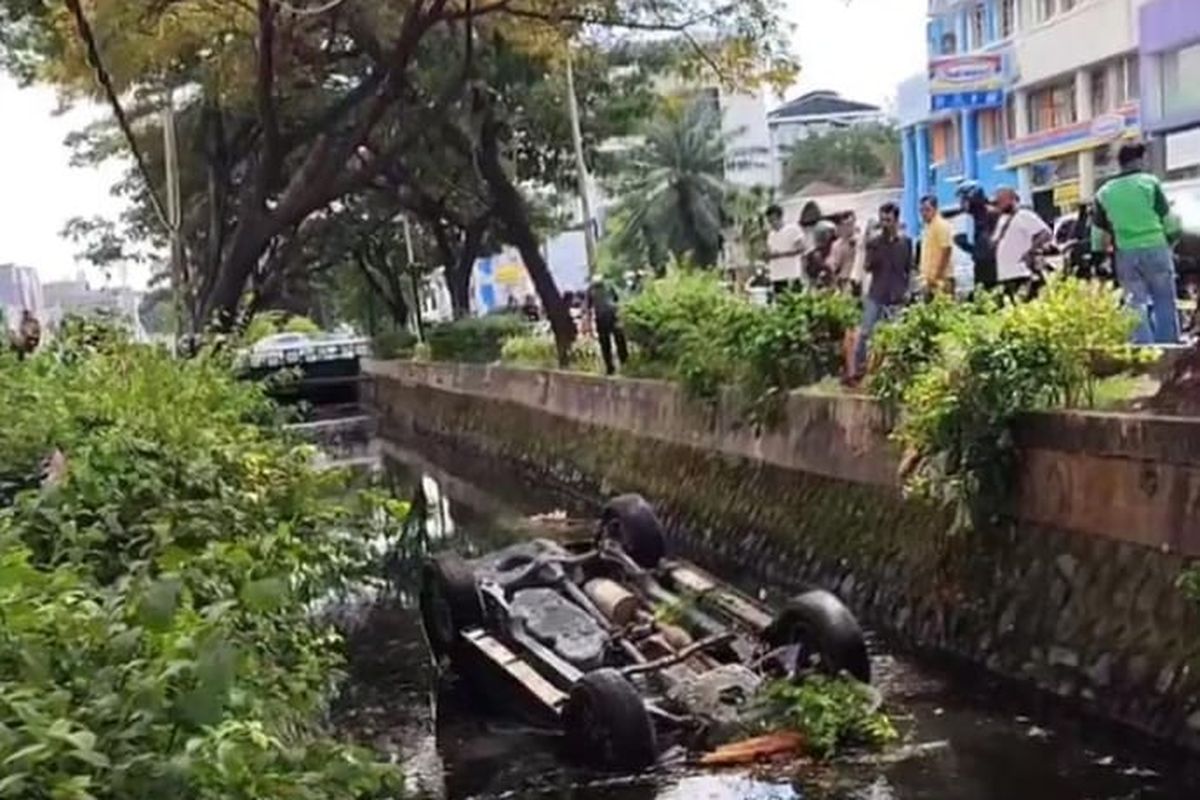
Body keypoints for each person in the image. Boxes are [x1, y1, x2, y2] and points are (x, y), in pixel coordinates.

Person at [1093, 141, 1180, 344]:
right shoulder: (1149, 183)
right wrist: (1173, 240)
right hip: (1156, 247)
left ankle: (1144, 346)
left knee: (1135, 302)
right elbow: (1168, 219)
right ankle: (1168, 345)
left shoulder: (1105, 192)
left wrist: (1100, 256)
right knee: (1164, 299)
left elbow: (1099, 232)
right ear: (1140, 159)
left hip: (1126, 253)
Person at [852, 202, 913, 380]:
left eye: (888, 220)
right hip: (877, 293)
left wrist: (908, 289)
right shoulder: (874, 243)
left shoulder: (906, 243)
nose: (885, 223)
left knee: (896, 335)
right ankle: (859, 369)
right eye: (882, 220)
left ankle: (894, 372)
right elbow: (868, 266)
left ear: (896, 220)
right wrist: (873, 246)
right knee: (866, 332)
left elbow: (909, 269)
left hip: (897, 294)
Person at [992, 186, 1052, 300]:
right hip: (1005, 275)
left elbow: (1045, 233)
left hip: (1021, 273)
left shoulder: (1024, 215)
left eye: (1000, 200)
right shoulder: (1002, 220)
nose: (997, 203)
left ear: (1011, 199)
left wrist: (1030, 251)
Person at [951, 180, 1000, 291]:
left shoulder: (991, 214)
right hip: (982, 268)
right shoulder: (977, 217)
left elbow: (989, 245)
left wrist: (974, 248)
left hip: (992, 270)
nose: (962, 203)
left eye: (964, 199)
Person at [587, 277, 629, 376]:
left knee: (608, 343)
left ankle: (612, 366)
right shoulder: (607, 287)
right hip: (610, 317)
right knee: (617, 340)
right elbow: (617, 300)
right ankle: (620, 364)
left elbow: (588, 307)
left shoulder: (592, 290)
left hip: (605, 317)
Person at [918, 195, 954, 298]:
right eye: (921, 210)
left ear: (935, 209)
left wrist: (937, 276)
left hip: (941, 279)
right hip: (929, 280)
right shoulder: (928, 227)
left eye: (927, 210)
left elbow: (946, 250)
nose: (923, 214)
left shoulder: (941, 225)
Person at [765, 204, 805, 296]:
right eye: (770, 221)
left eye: (773, 220)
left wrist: (782, 254)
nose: (772, 223)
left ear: (780, 217)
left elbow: (801, 248)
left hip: (791, 274)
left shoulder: (793, 229)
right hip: (777, 276)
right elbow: (770, 251)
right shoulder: (771, 235)